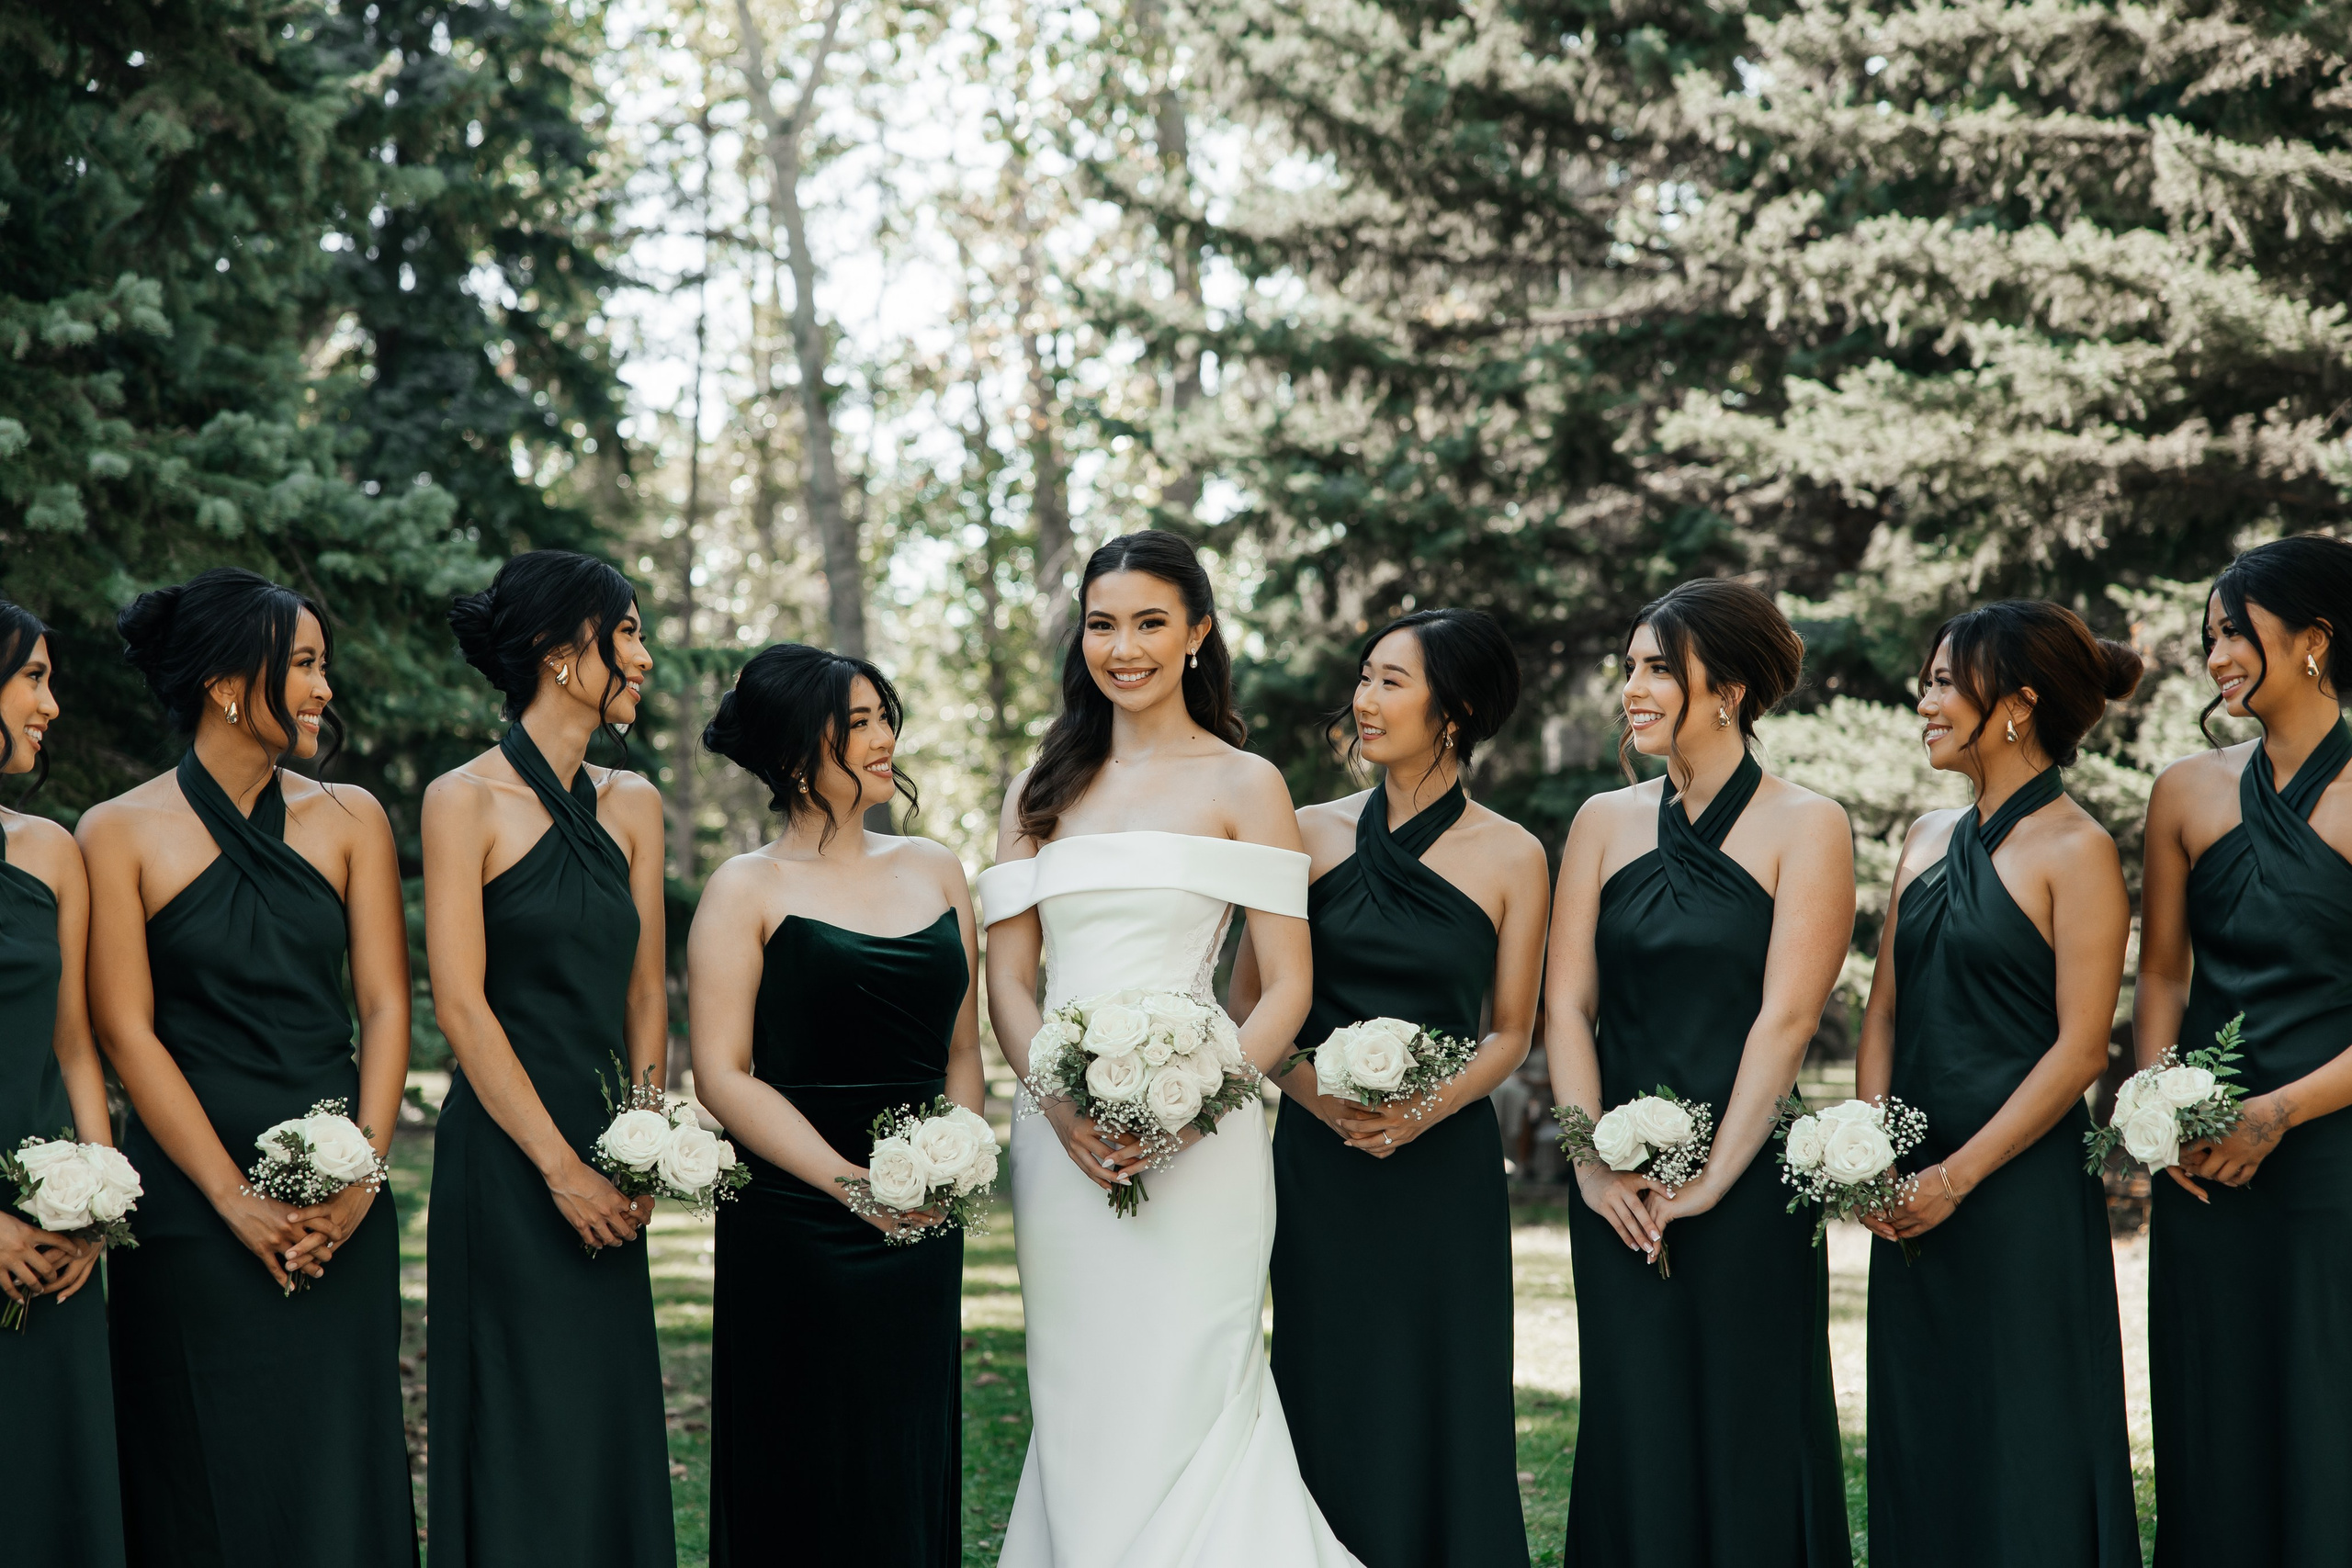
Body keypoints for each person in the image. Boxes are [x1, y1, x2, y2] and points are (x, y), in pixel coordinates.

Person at [978, 530, 1361, 1566]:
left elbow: (1287, 987)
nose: (1125, 647)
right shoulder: (1039, 789)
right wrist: (1054, 1102)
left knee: (1196, 1370)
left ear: (1196, 634)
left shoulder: (1246, 783)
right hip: (1056, 1139)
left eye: (1151, 622)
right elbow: (1010, 980)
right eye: (1103, 624)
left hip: (1211, 1136)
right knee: (1081, 1374)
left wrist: (1200, 1100)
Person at [82, 569, 413, 1564]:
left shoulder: (353, 818)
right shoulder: (117, 831)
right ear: (232, 683)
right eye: (304, 664)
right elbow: (125, 1031)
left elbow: (387, 1003)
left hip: (344, 1202)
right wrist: (232, 1199)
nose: (323, 688)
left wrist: (361, 1179)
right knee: (198, 1474)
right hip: (191, 1209)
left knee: (336, 1466)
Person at [1544, 578, 1854, 1568]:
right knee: (1636, 1424)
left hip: (1753, 1185)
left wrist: (1720, 1175)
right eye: (1628, 667)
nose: (1630, 688)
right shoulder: (1601, 820)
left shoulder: (1810, 825)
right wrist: (1591, 1167)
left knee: (1753, 1428)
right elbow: (1566, 1007)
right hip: (1619, 1192)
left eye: (1656, 670)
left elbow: (1788, 1016)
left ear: (1725, 688)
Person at [1240, 608, 1549, 1568]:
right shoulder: (1301, 833)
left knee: (1446, 1380)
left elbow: (1509, 1030)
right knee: (1325, 1375)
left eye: (1390, 683)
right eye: (1364, 678)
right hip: (1317, 1157)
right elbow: (1252, 1001)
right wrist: (1315, 1096)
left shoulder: (1514, 855)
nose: (1363, 702)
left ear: (1452, 710)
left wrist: (1426, 1109)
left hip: (1445, 1163)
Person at [1856, 601, 2139, 1566]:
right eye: (1927, 681)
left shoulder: (2079, 850)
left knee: (2026, 1431)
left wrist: (1956, 1178)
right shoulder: (1923, 838)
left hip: (2014, 1194)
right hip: (1909, 1183)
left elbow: (2079, 1051)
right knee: (1921, 1424)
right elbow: (1884, 1009)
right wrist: (1868, 1155)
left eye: (1945, 682)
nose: (1924, 700)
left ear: (2014, 705)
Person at [692, 644, 983, 1567]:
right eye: (857, 724)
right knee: (801, 1464)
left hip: (923, 1221)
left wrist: (949, 1165)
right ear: (792, 755)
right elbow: (723, 1074)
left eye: (884, 716)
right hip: (795, 1220)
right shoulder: (745, 887)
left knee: (902, 1458)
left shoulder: (938, 869)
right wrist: (853, 1186)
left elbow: (963, 1051)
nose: (884, 737)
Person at [423, 550, 673, 1567]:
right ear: (564, 655)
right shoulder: (463, 800)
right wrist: (560, 1169)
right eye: (627, 635)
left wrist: (643, 1148)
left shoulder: (634, 804)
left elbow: (647, 992)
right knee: (516, 1412)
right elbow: (461, 1003)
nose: (644, 658)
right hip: (508, 1156)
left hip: (614, 1153)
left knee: (604, 1412)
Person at [2136, 534, 2352, 1566]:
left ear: (2313, 639)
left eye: (2237, 632)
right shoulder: (2183, 791)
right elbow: (2164, 978)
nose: (2216, 653)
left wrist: (2278, 1113)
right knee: (2210, 1407)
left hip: (2331, 1161)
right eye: (2209, 635)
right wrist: (2157, 1114)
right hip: (2200, 1172)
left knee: (2326, 1401)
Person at [0, 602, 127, 1567]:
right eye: (32, 677)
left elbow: (77, 1043)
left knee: (54, 1485)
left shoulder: (51, 849)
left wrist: (99, 1207)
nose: (51, 701)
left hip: (54, 1226)